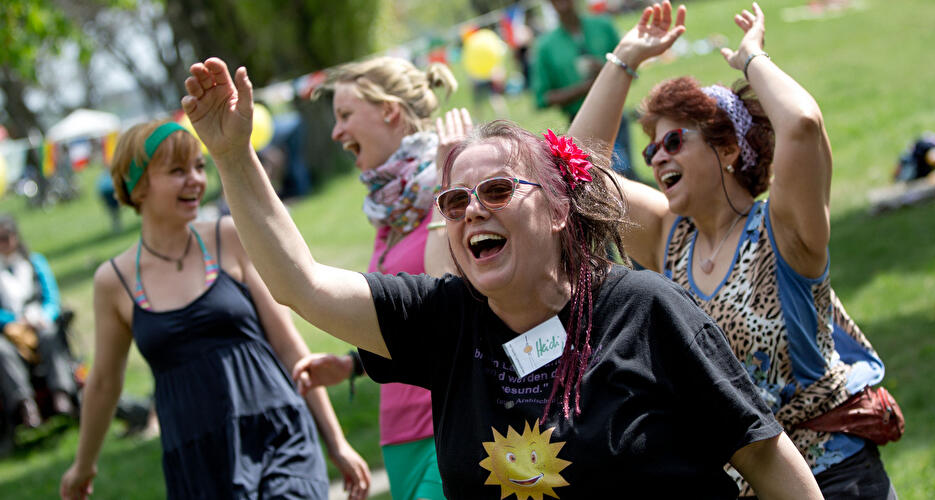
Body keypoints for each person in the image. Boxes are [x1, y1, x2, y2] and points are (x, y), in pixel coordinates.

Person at [181, 55, 824, 499]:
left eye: (494, 189)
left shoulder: (646, 310)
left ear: (555, 209)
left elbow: (763, 456)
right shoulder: (444, 320)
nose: (470, 211)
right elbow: (301, 284)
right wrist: (234, 157)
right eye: (454, 202)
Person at [568, 2, 895, 498]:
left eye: (674, 140)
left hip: (836, 477)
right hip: (744, 487)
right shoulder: (668, 239)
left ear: (728, 149)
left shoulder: (782, 229)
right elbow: (576, 177)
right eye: (652, 149)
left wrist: (750, 60)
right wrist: (625, 59)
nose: (658, 158)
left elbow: (803, 123)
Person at [59, 120, 370, 500]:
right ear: (138, 185)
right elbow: (105, 383)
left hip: (278, 434)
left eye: (198, 167)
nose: (195, 180)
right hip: (197, 460)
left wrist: (336, 442)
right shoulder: (114, 282)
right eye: (177, 171)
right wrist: (83, 465)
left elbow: (288, 345)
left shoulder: (230, 237)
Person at [291, 56, 460, 500]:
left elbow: (463, 308)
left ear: (389, 111)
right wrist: (353, 364)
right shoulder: (389, 211)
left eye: (345, 115)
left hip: (448, 420)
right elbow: (412, 318)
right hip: (398, 435)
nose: (335, 132)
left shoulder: (456, 188)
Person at [531, 0, 637, 180]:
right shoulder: (545, 46)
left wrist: (607, 70)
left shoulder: (603, 25)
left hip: (615, 113)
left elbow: (631, 69)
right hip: (581, 122)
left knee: (624, 173)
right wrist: (584, 89)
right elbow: (542, 98)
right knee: (609, 178)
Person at [0, 215, 77, 428]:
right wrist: (13, 321)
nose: (4, 243)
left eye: (7, 237)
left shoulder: (35, 263)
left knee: (50, 334)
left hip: (40, 323)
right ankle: (25, 403)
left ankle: (61, 392)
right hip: (10, 333)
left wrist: (43, 316)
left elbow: (52, 298)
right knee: (2, 351)